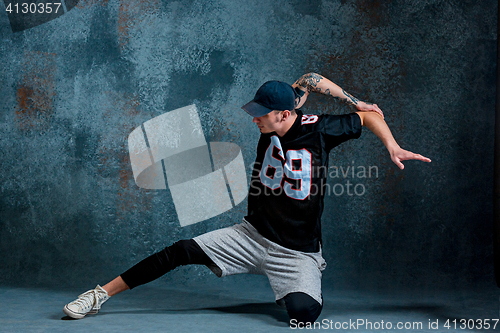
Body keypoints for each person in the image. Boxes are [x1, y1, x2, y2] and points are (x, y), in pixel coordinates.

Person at [63, 73, 431, 324]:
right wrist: (353, 97)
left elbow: (366, 119)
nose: (255, 120)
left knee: (302, 315)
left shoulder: (320, 130)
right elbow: (308, 79)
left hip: (297, 252)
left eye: (261, 115)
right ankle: (99, 295)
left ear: (285, 114)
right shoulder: (284, 106)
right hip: (250, 235)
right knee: (181, 250)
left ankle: (294, 281)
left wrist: (392, 145)